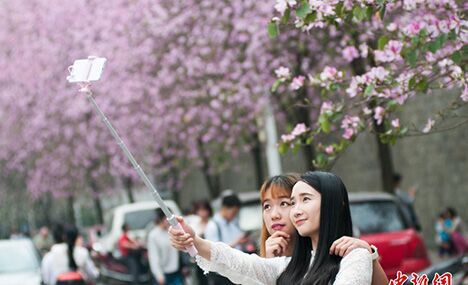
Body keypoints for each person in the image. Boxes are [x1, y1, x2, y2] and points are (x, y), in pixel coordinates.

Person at [169, 171, 373, 284]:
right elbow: (237, 262)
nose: (296, 210)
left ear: (335, 204)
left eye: (305, 200)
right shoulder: (287, 266)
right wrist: (195, 240)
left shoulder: (354, 257)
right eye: (293, 202)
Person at [259, 174, 388, 285]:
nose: (274, 215)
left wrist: (371, 257)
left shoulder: (345, 256)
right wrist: (269, 267)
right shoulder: (272, 259)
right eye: (267, 206)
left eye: (284, 203)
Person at [204, 193, 249, 285]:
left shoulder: (232, 224)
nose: (234, 215)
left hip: (235, 271)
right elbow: (213, 251)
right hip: (221, 275)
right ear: (224, 208)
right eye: (233, 212)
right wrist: (236, 242)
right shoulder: (212, 226)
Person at [147, 208, 185, 285]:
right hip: (164, 274)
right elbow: (154, 257)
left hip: (176, 272)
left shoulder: (172, 231)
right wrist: (159, 275)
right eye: (167, 217)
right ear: (161, 218)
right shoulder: (153, 235)